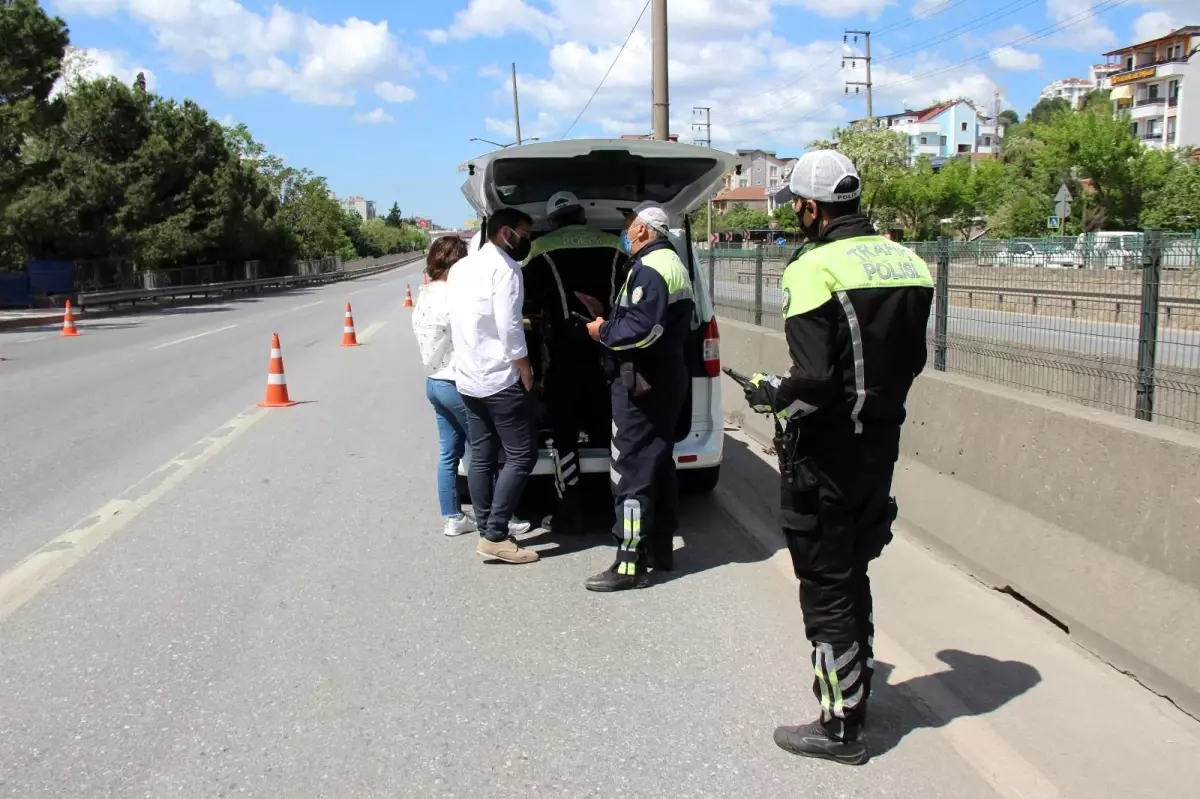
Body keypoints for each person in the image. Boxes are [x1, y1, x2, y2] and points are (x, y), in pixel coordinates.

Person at [743, 150, 933, 765]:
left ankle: (839, 728)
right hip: (879, 448)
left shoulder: (813, 267)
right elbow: (905, 363)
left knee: (825, 587)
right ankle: (859, 695)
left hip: (823, 455)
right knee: (855, 572)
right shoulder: (910, 262)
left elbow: (816, 380)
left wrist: (774, 395)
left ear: (809, 207)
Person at [583, 201, 693, 592]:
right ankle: (660, 548)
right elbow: (648, 318)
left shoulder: (652, 269)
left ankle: (629, 563)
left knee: (631, 472)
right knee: (658, 464)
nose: (625, 231)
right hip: (664, 378)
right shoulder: (670, 264)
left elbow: (645, 330)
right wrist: (608, 314)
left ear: (645, 230)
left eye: (629, 224)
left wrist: (602, 332)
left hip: (643, 382)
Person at [522, 191, 627, 535]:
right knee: (609, 432)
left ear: (552, 222)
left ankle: (571, 512)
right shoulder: (614, 244)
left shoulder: (541, 249)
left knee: (565, 436)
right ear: (582, 216)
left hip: (563, 357)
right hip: (608, 351)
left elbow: (528, 301)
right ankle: (616, 508)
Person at [413, 235, 532, 539]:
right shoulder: (451, 296)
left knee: (448, 453)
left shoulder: (424, 295)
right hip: (457, 382)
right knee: (484, 452)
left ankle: (453, 516)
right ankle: (498, 517)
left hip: (434, 382)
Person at [447, 208, 540, 565]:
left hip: (469, 377)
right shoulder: (506, 269)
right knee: (521, 455)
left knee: (483, 457)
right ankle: (496, 534)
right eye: (525, 233)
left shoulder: (461, 268)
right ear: (506, 233)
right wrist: (525, 365)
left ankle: (487, 526)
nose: (527, 240)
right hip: (500, 377)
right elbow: (509, 324)